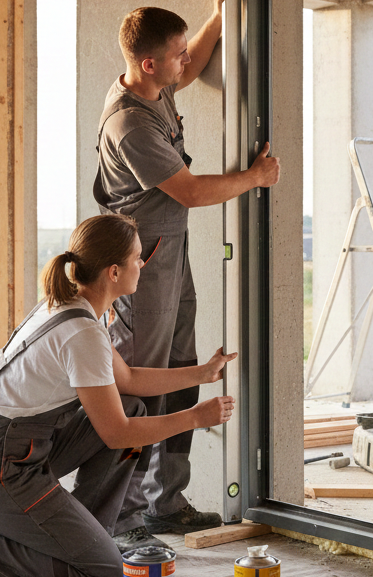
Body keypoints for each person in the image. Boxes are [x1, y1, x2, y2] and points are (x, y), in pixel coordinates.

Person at [0, 214, 237, 577]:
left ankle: (88, 532)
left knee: (133, 408)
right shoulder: (82, 334)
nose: (142, 265)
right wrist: (194, 418)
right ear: (113, 272)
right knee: (102, 568)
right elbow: (116, 434)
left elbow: (126, 379)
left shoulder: (71, 308)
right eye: (137, 258)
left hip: (3, 452)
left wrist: (202, 374)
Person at [94, 3, 281, 552]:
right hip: (141, 262)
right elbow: (193, 192)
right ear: (149, 65)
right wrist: (255, 177)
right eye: (174, 55)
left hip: (168, 249)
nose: (185, 62)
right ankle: (122, 512)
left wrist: (222, 17)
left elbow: (194, 60)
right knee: (140, 379)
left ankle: (165, 502)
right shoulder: (129, 121)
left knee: (180, 367)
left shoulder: (156, 84)